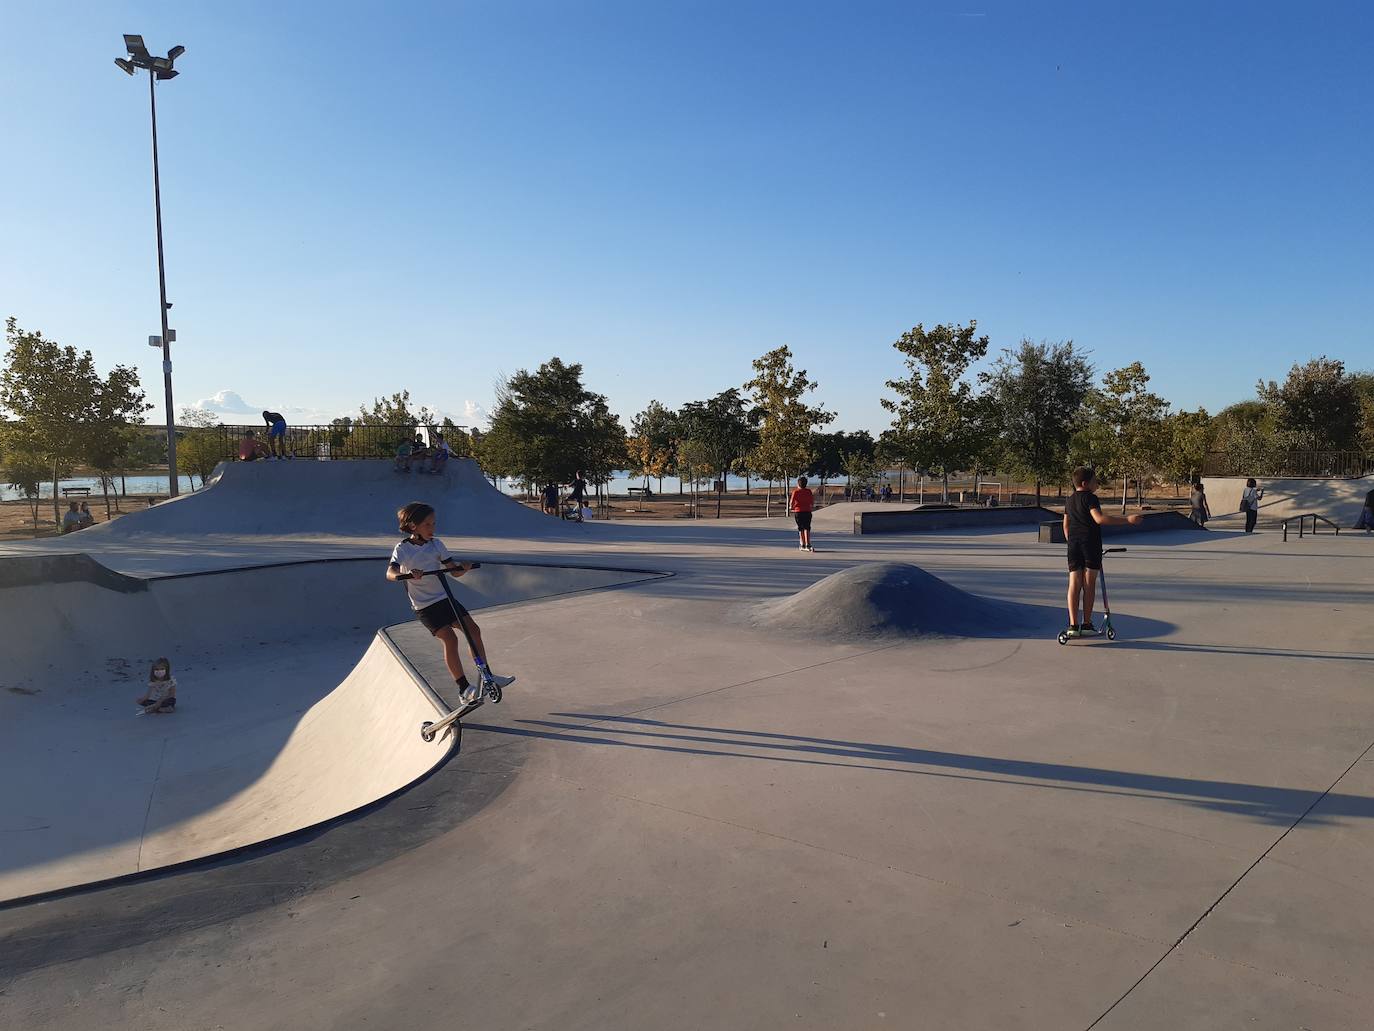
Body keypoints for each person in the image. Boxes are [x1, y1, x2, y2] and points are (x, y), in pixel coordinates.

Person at [386, 502, 514, 705]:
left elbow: (454, 571)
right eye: (427, 524)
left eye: (433, 523)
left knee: (473, 630)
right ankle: (464, 689)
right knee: (450, 639)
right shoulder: (402, 549)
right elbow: (390, 573)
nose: (432, 528)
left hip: (443, 598)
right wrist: (407, 574)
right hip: (424, 606)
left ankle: (487, 676)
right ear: (413, 526)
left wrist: (463, 568)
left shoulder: (436, 544)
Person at [1063, 466, 1144, 637]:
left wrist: (1072, 541)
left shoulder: (1069, 500)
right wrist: (1128, 520)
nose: (1097, 484)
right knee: (1089, 584)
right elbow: (1099, 519)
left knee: (1074, 584)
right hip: (1090, 544)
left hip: (1073, 545)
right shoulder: (1090, 498)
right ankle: (1086, 624)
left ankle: (1073, 625)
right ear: (1085, 484)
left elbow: (1066, 525)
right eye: (1094, 481)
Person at [790, 475, 816, 552]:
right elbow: (812, 502)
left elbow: (791, 502)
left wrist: (791, 507)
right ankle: (808, 544)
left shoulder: (795, 492)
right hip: (807, 511)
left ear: (798, 484)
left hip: (798, 512)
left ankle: (802, 544)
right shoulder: (809, 491)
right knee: (807, 527)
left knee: (800, 528)